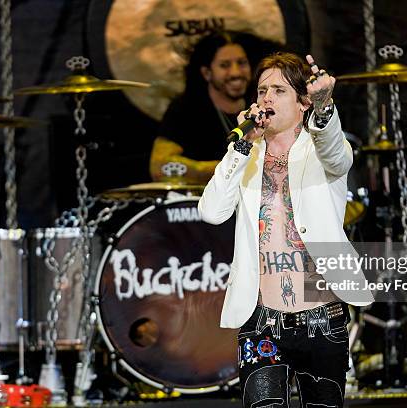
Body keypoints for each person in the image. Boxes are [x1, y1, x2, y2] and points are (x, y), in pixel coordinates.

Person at [198, 52, 372, 407]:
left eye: (278, 90)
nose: (266, 98)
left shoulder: (323, 150)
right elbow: (212, 211)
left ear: (303, 102)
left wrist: (325, 108)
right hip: (260, 315)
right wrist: (241, 146)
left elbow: (336, 153)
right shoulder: (247, 154)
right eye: (262, 90)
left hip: (323, 313)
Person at [150, 31, 276, 184]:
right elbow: (159, 166)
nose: (236, 72)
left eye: (242, 63)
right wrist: (228, 168)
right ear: (207, 73)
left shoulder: (263, 102)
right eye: (225, 65)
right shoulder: (185, 109)